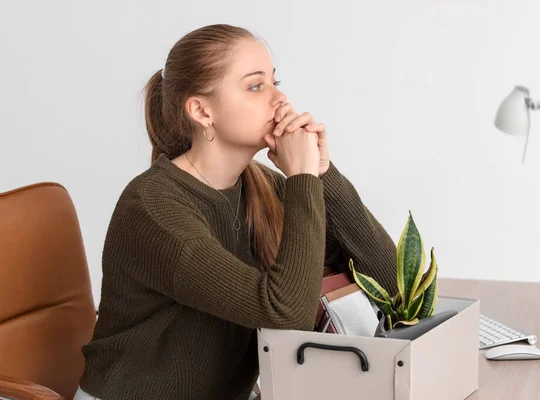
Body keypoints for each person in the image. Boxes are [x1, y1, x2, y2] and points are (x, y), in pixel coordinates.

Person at [76, 24, 397, 400]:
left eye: (276, 82)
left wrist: (323, 174)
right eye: (256, 86)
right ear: (201, 111)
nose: (281, 99)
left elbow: (392, 283)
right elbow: (285, 312)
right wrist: (303, 179)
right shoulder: (153, 208)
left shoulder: (263, 186)